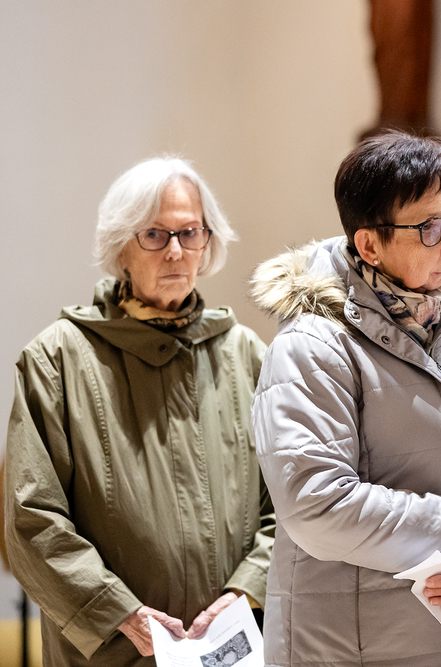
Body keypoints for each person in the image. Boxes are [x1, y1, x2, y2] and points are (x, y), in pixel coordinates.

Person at [249, 131, 441, 667]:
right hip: (351, 651)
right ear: (370, 245)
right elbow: (315, 501)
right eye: (429, 227)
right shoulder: (313, 347)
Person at [3, 157, 274, 666]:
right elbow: (32, 520)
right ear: (120, 247)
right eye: (154, 234)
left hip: (231, 646)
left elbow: (289, 500)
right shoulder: (56, 360)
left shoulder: (247, 356)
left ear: (207, 243)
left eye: (189, 233)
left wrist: (248, 588)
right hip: (113, 650)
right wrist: (119, 612)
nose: (175, 251)